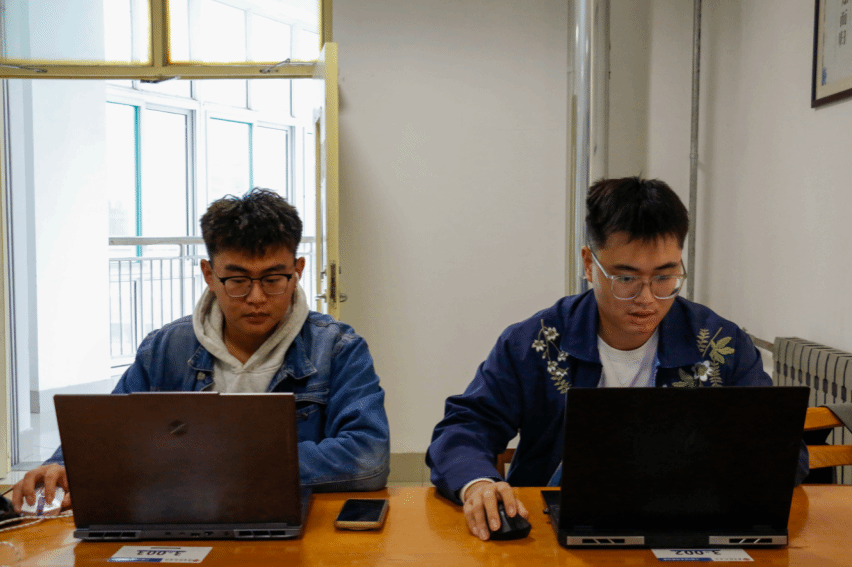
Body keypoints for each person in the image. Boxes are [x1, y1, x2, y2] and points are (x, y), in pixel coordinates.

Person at [426, 176, 809, 541]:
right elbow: (464, 427)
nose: (647, 299)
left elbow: (783, 450)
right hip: (551, 531)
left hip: (687, 525)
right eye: (626, 278)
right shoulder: (537, 342)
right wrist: (478, 483)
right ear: (589, 264)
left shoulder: (720, 344)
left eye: (665, 277)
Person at [13, 188, 390, 512]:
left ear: (298, 271)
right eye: (238, 280)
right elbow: (108, 436)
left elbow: (368, 457)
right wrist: (63, 464)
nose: (257, 298)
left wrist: (223, 463)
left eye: (273, 279)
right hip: (179, 517)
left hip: (290, 519)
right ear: (209, 274)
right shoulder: (165, 349)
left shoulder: (337, 349)